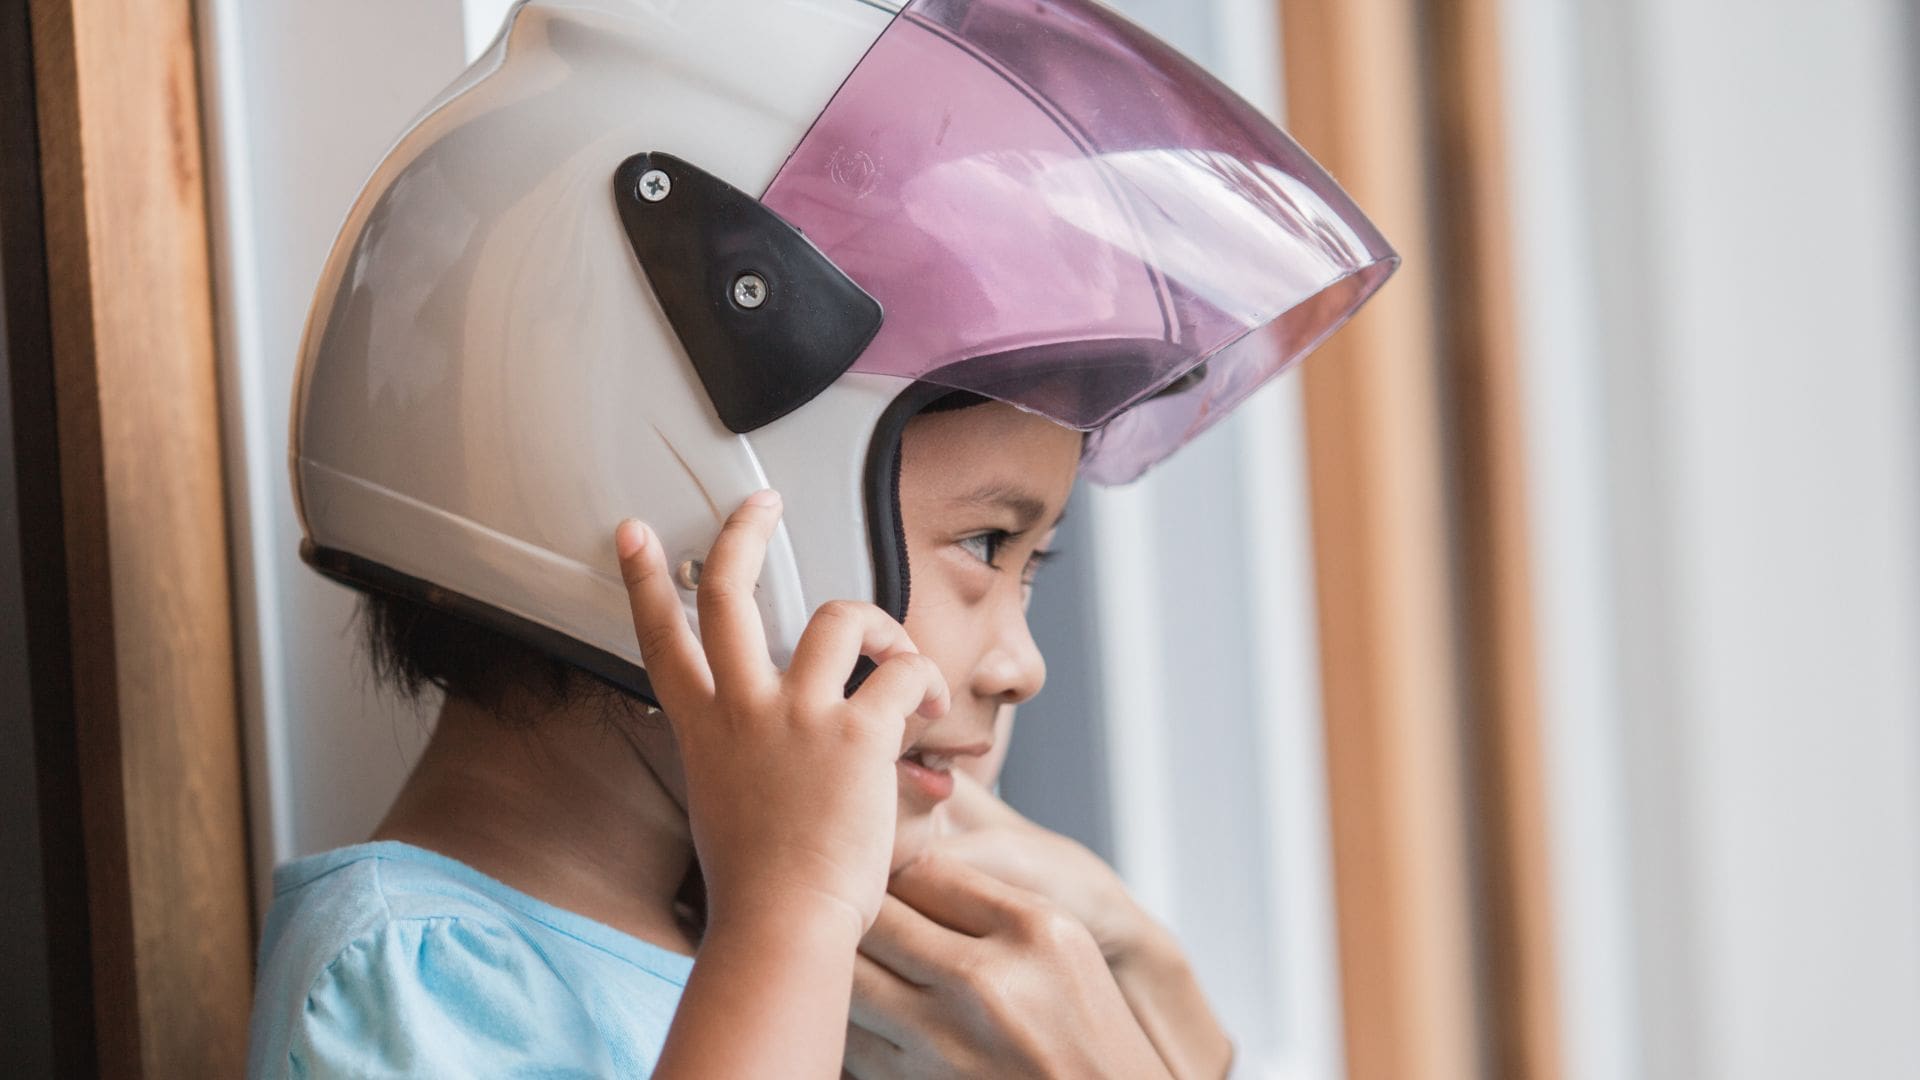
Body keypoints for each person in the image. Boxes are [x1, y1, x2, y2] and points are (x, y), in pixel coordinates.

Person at [245, 0, 1395, 1075]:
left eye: (1029, 565)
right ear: (675, 493)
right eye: (989, 548)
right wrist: (789, 908)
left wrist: (1150, 988)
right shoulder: (406, 976)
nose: (1023, 663)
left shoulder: (818, 971)